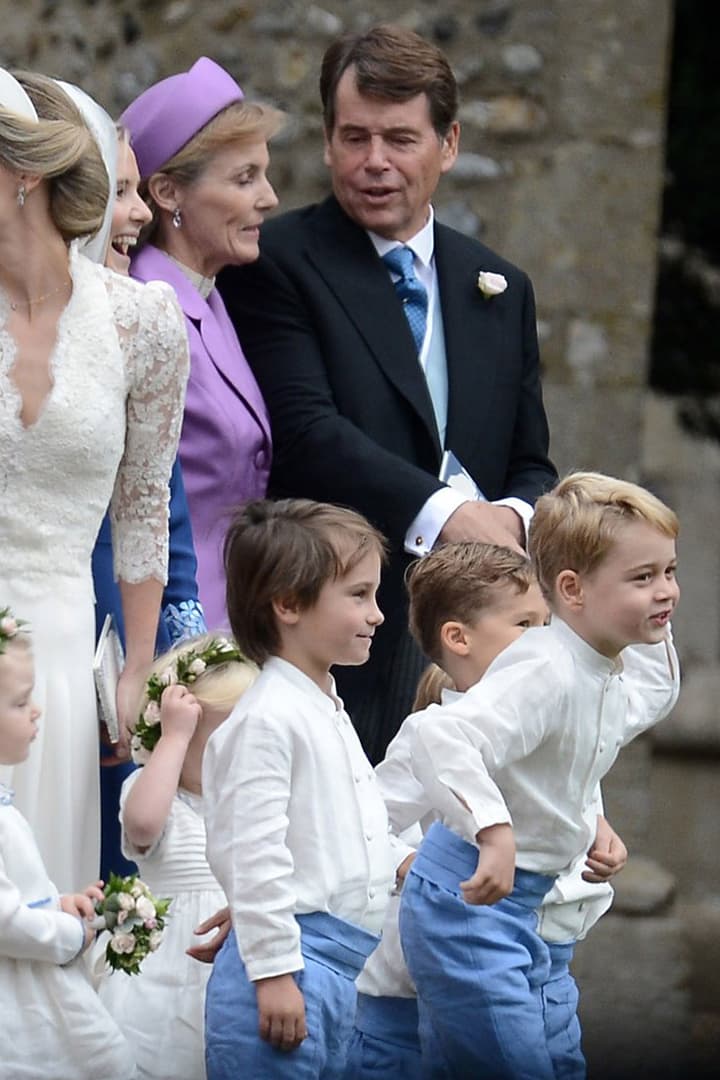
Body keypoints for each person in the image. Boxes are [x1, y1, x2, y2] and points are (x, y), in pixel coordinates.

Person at [218, 24, 557, 762]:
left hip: (484, 660)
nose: (374, 163)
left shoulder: (500, 286)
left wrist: (508, 519)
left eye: (400, 139)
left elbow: (532, 459)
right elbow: (307, 429)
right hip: (338, 636)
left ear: (450, 142)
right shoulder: (277, 262)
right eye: (353, 138)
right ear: (330, 141)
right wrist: (448, 516)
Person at [398, 472, 681, 1078]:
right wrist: (492, 831)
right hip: (468, 904)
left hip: (530, 911)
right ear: (571, 589)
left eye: (670, 572)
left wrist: (589, 823)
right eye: (643, 577)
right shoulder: (545, 669)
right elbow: (439, 735)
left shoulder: (596, 667)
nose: (666, 592)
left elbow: (645, 700)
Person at [0, 68, 189, 892]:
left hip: (62, 644)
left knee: (44, 904)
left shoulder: (139, 320)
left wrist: (138, 664)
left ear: (24, 174)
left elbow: (146, 508)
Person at [351, 543, 623, 1080]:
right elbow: (363, 819)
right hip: (426, 977)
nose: (546, 640)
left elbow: (568, 797)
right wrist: (408, 863)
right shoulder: (429, 735)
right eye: (526, 623)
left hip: (543, 955)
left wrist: (597, 828)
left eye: (549, 623)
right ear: (459, 638)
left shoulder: (558, 714)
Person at [202, 498, 413, 1080]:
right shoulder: (268, 718)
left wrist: (407, 862)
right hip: (287, 974)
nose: (378, 615)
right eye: (358, 595)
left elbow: (351, 823)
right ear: (289, 604)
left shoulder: (323, 705)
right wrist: (271, 974)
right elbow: (254, 850)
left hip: (337, 972)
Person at [119, 57, 283, 630]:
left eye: (264, 175)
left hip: (237, 615)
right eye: (244, 179)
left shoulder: (210, 297)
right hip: (178, 625)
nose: (269, 198)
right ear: (167, 192)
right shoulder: (145, 306)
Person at [97, 634, 256, 1080]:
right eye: (216, 743)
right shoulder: (155, 794)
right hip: (166, 967)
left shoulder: (252, 805)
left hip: (235, 963)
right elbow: (143, 827)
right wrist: (175, 738)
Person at [0, 609, 135, 1080]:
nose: (37, 710)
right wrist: (70, 936)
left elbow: (14, 893)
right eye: (19, 703)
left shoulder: (5, 806)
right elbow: (5, 920)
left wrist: (59, 903)